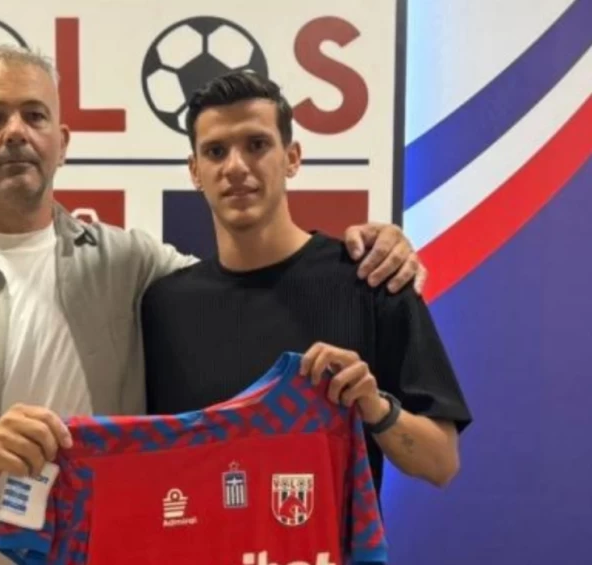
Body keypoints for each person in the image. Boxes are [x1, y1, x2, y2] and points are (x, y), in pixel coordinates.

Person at [0, 46, 427, 565]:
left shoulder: (131, 263)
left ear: (61, 143)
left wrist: (366, 250)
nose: (16, 132)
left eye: (35, 115)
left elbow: (247, 277)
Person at [140, 70, 472, 499]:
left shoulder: (371, 279)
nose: (236, 167)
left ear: (292, 157)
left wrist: (375, 407)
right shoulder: (163, 307)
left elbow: (441, 462)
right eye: (216, 151)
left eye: (256, 145)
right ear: (195, 171)